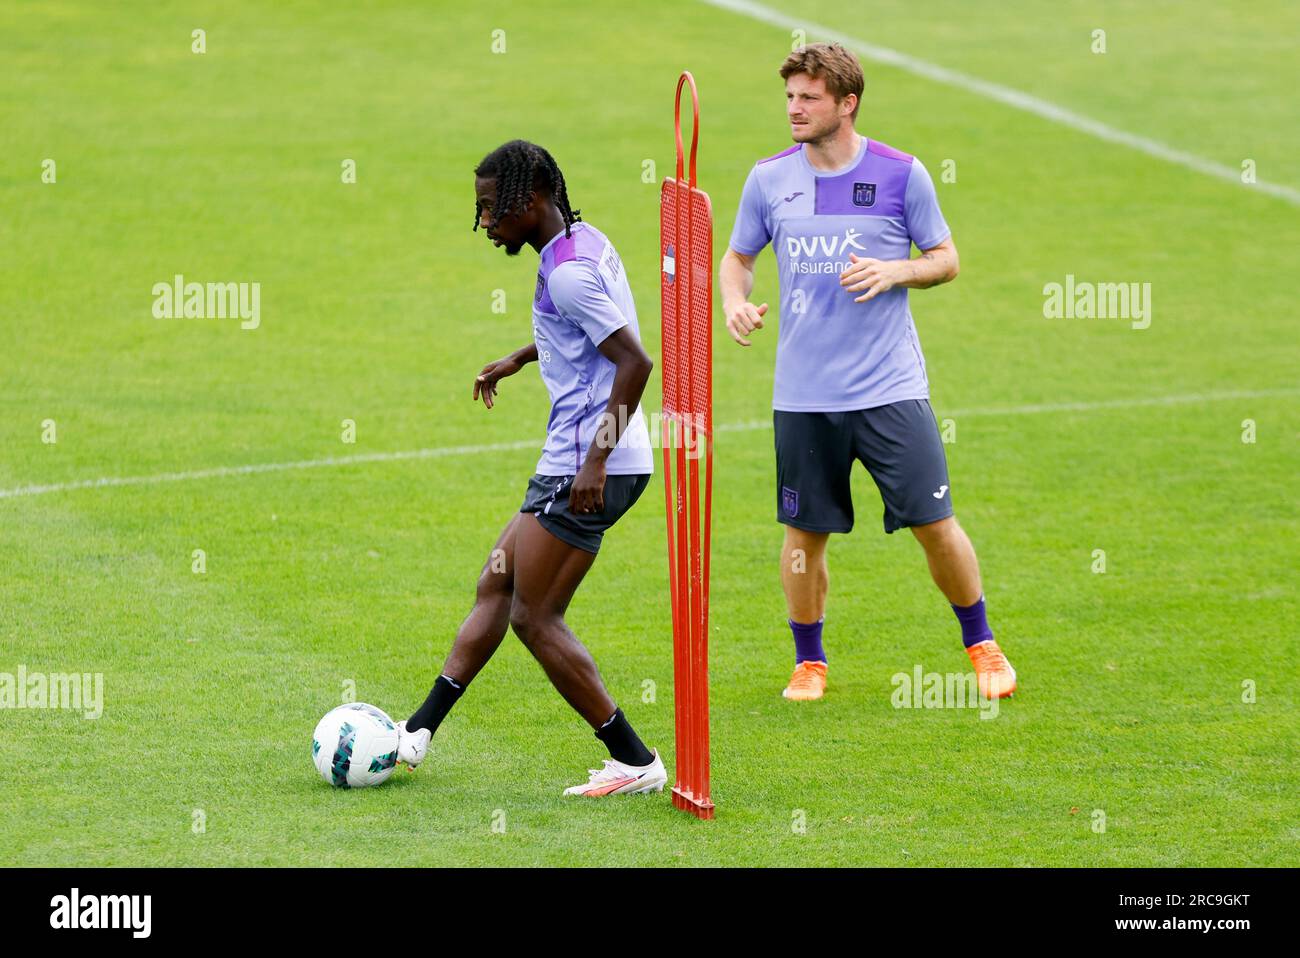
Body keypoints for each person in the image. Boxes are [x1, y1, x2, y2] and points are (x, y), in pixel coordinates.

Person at [719, 43, 1016, 702]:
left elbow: (945, 258)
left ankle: (983, 645)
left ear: (846, 103)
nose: (794, 109)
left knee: (935, 525)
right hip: (803, 394)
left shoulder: (901, 175)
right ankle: (809, 661)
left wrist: (896, 270)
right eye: (790, 97)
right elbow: (736, 258)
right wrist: (736, 302)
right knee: (804, 536)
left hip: (890, 389)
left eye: (809, 98)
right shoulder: (769, 180)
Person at [394, 140, 666, 796]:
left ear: (532, 200)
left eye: (492, 209)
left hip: (590, 462)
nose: (484, 223)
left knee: (533, 616)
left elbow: (634, 361)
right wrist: (521, 357)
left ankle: (636, 763)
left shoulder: (567, 271)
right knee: (497, 583)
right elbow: (580, 327)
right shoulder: (576, 243)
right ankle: (418, 732)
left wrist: (596, 463)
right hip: (569, 457)